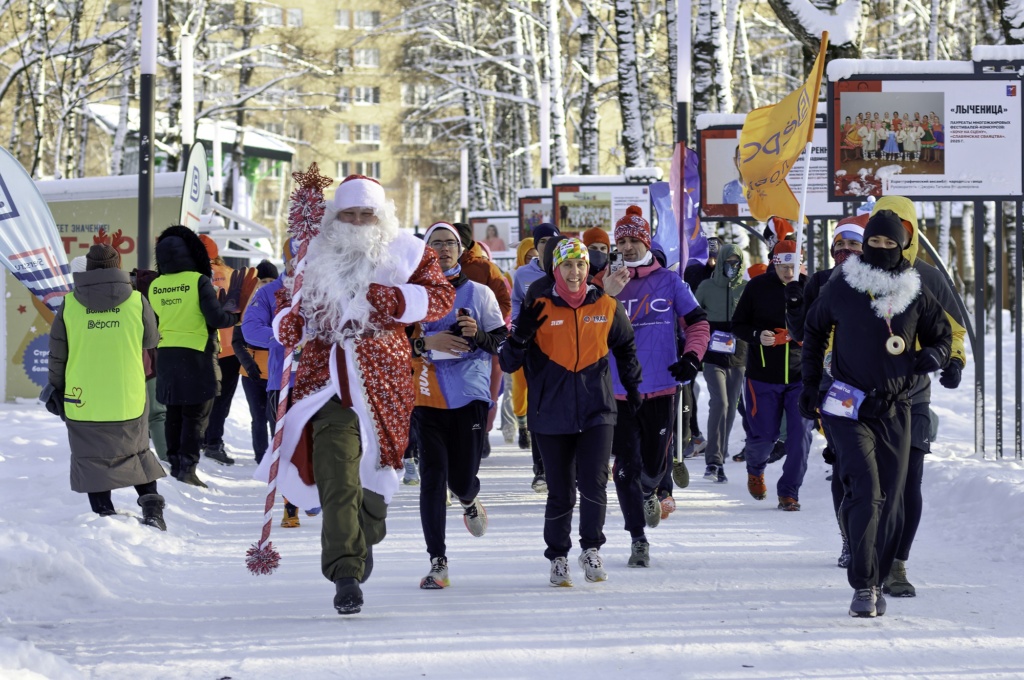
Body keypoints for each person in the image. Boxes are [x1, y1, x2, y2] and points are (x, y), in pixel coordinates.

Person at [256, 175, 455, 615]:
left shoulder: (407, 250)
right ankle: (345, 574)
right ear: (335, 217)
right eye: (350, 213)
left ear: (381, 215)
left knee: (375, 486)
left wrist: (397, 301)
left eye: (368, 213)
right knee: (336, 479)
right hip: (323, 382)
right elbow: (291, 304)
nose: (360, 220)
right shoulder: (312, 253)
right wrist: (286, 323)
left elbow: (442, 296)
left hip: (384, 383)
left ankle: (364, 538)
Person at [800, 208, 951, 618]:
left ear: (901, 247)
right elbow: (812, 330)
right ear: (864, 246)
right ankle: (864, 585)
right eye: (874, 243)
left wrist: (935, 356)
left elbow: (942, 334)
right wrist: (810, 383)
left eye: (889, 243)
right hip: (847, 406)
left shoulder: (915, 290)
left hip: (896, 407)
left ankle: (880, 576)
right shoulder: (843, 285)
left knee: (893, 499)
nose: (880, 249)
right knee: (865, 489)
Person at [499, 238, 642, 586]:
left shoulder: (606, 305)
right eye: (567, 265)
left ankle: (591, 549)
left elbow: (625, 346)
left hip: (597, 409)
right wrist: (521, 336)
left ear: (587, 268)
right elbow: (507, 361)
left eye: (580, 264)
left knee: (594, 483)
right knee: (561, 490)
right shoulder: (539, 305)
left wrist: (634, 386)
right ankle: (558, 556)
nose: (575, 271)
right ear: (556, 269)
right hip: (551, 413)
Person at [869, 197, 967, 598]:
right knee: (868, 483)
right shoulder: (857, 276)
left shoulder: (928, 278)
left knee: (909, 482)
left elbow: (953, 330)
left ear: (909, 232)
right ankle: (863, 549)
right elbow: (832, 329)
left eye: (898, 232)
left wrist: (951, 360)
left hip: (914, 397)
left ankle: (896, 564)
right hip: (862, 397)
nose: (885, 243)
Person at [602, 207, 709, 567]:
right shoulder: (602, 283)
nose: (628, 247)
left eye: (634, 240)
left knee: (651, 465)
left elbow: (698, 324)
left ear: (646, 242)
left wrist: (692, 358)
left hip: (662, 387)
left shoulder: (670, 282)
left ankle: (650, 490)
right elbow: (586, 327)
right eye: (622, 241)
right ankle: (637, 538)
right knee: (624, 468)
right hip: (617, 390)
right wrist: (606, 294)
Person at [411, 221, 507, 589]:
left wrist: (477, 335)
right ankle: (438, 561)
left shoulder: (480, 293)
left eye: (450, 243)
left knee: (461, 479)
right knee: (432, 478)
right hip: (426, 393)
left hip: (469, 394)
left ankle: (468, 499)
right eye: (436, 243)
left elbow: (500, 341)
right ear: (425, 251)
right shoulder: (412, 294)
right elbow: (395, 344)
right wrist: (427, 344)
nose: (444, 249)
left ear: (461, 249)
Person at [44, 244, 166, 529]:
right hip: (127, 394)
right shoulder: (137, 301)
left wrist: (55, 388)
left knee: (91, 458)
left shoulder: (70, 304)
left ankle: (103, 517)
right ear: (117, 266)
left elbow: (58, 354)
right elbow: (151, 340)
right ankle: (151, 508)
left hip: (83, 398)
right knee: (137, 451)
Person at [150, 226, 241, 488]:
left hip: (166, 354)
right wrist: (235, 317)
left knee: (174, 413)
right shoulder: (198, 281)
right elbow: (215, 318)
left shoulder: (156, 284)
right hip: (197, 354)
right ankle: (188, 469)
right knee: (196, 415)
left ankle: (176, 463)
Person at [731, 239, 813, 511]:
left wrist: (802, 337)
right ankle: (756, 469)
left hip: (800, 376)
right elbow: (738, 325)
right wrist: (758, 336)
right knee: (764, 436)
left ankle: (789, 492)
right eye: (783, 266)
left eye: (794, 266)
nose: (789, 273)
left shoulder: (809, 287)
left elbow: (824, 327)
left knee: (800, 436)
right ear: (774, 263)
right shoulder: (757, 287)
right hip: (763, 376)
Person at [511, 222, 561, 492]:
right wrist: (522, 329)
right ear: (536, 246)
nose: (547, 247)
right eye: (542, 243)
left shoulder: (569, 267)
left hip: (565, 346)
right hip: (535, 348)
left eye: (551, 241)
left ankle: (566, 466)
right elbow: (515, 305)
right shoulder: (523, 275)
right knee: (538, 406)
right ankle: (540, 468)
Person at [695, 244, 748, 483]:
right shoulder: (707, 287)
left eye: (736, 263)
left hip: (739, 354)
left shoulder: (746, 288)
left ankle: (720, 454)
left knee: (731, 405)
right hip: (713, 352)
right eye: (728, 262)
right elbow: (693, 315)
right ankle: (713, 461)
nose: (732, 267)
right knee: (720, 402)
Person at [197, 235, 241, 466]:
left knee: (201, 397)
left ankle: (200, 439)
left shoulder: (191, 277)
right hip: (230, 348)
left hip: (201, 346)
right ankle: (214, 442)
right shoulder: (232, 275)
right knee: (222, 400)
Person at [233, 259, 280, 466]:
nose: (266, 284)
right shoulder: (247, 305)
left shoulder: (281, 304)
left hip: (275, 370)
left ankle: (276, 454)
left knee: (275, 417)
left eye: (271, 280)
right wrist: (248, 363)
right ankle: (261, 457)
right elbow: (237, 340)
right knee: (258, 416)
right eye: (262, 280)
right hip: (251, 372)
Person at [510, 237, 537, 451]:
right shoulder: (512, 276)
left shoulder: (548, 276)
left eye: (535, 257)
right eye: (528, 257)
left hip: (542, 337)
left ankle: (535, 426)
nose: (532, 260)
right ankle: (521, 424)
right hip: (518, 336)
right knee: (519, 385)